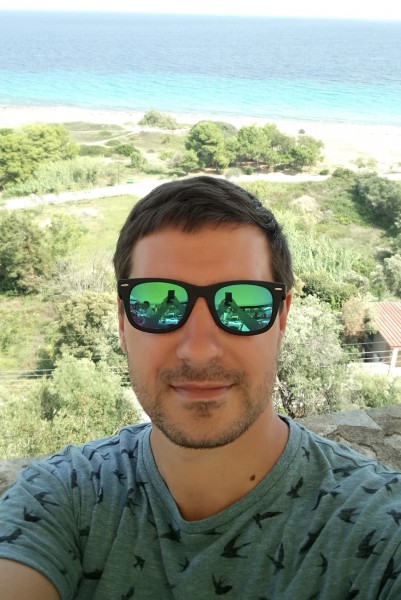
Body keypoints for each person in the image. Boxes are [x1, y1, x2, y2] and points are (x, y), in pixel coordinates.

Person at [0, 175, 401, 600]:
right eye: (158, 302)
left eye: (243, 302)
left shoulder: (381, 528)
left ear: (282, 318)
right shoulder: (60, 498)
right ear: (123, 321)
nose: (199, 350)